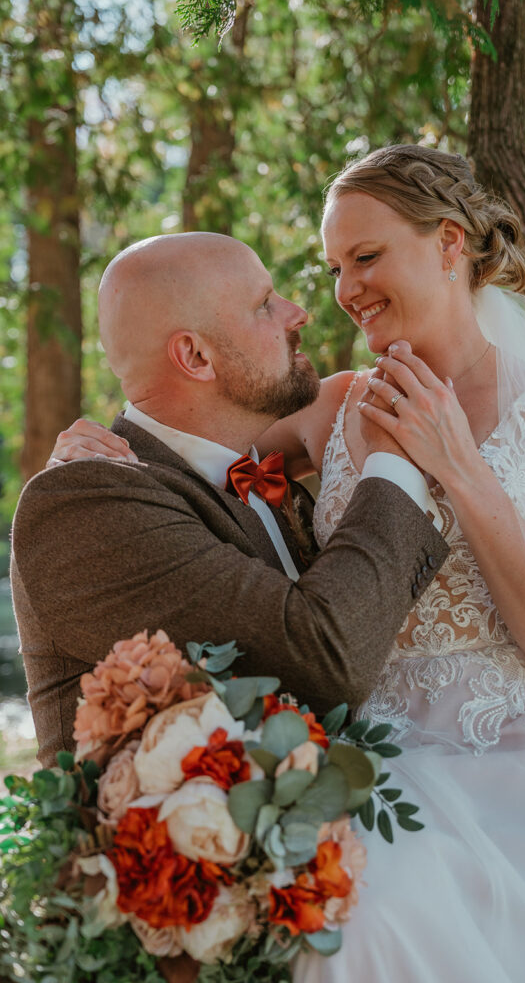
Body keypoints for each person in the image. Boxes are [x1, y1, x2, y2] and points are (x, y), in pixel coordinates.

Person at [49, 146, 525, 981]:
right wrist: (102, 440)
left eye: (366, 257)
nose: (344, 289)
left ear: (450, 243)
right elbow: (204, 452)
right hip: (380, 760)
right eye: (331, 267)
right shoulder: (332, 405)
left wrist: (461, 472)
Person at [10, 231, 450, 768]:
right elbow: (324, 663)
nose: (298, 313)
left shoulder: (257, 476)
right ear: (195, 356)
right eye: (264, 304)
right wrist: (392, 463)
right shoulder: (87, 504)